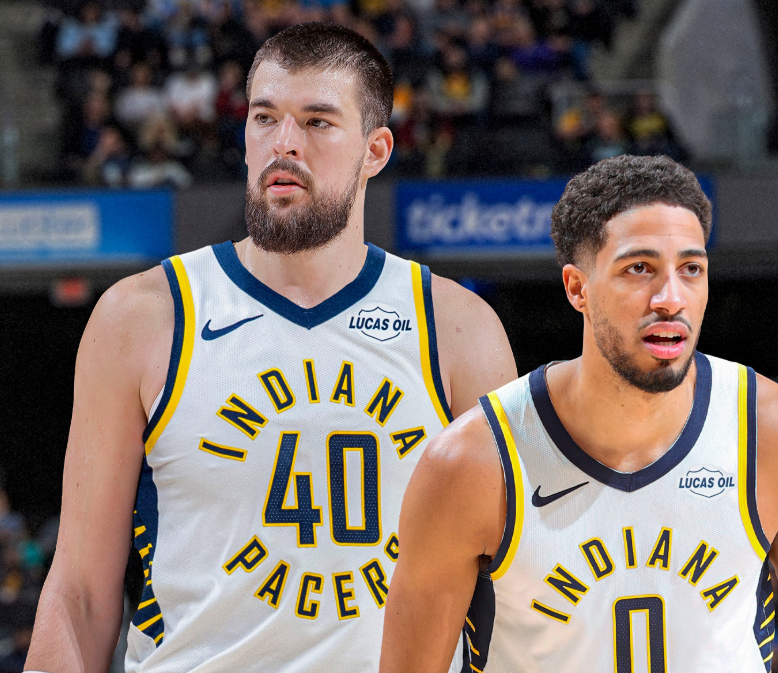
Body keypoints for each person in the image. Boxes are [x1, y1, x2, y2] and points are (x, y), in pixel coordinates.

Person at [25, 22, 515, 673]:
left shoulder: (457, 327)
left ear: (375, 150)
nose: (284, 143)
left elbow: (507, 589)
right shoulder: (140, 317)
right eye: (264, 118)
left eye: (317, 122)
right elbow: (80, 592)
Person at [380, 155, 778, 673]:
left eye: (691, 269)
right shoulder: (470, 463)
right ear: (577, 288)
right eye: (639, 269)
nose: (670, 298)